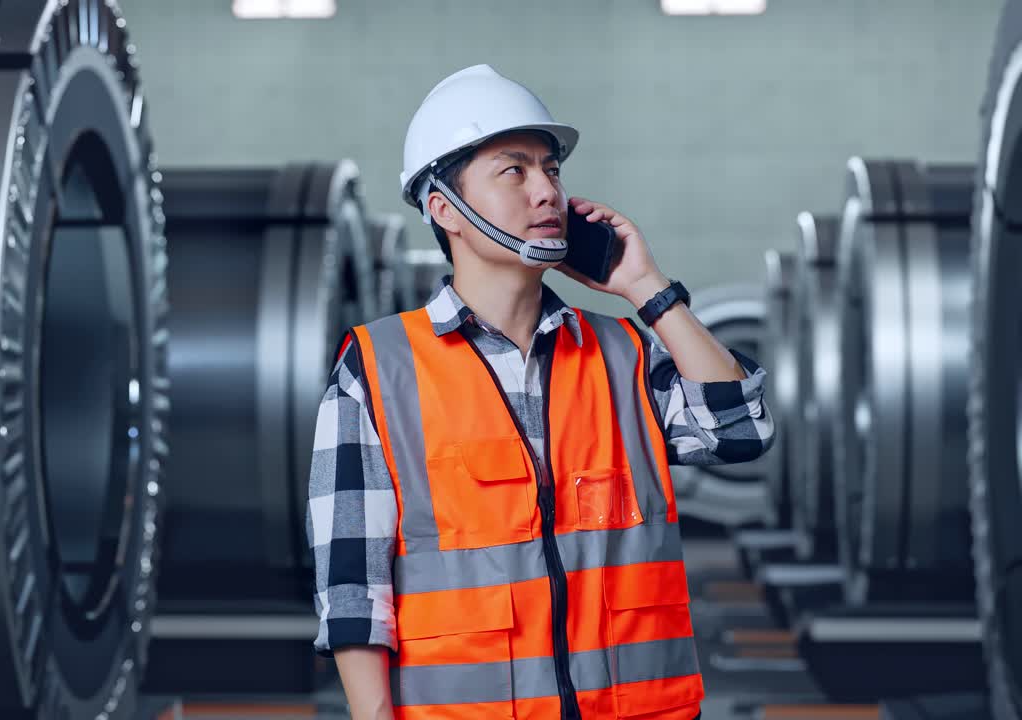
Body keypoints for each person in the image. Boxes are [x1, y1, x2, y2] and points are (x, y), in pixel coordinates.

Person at [306, 64, 773, 720]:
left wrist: (646, 288)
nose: (546, 190)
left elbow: (741, 430)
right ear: (444, 208)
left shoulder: (621, 354)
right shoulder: (379, 370)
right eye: (514, 170)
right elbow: (353, 588)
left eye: (551, 170)